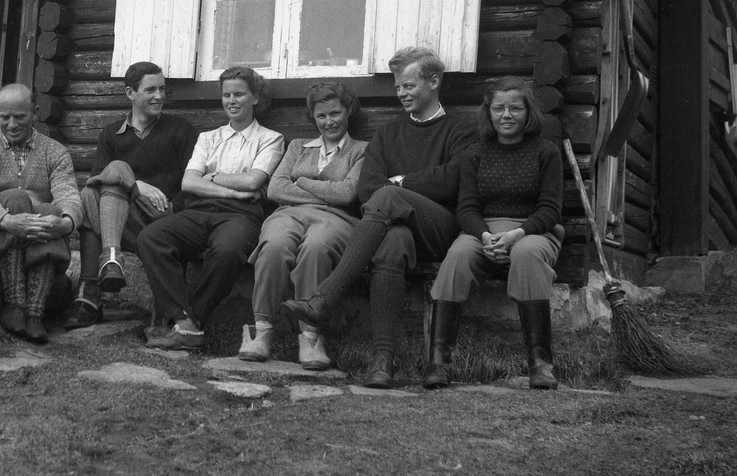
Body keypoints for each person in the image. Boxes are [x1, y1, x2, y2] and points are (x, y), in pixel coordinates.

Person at [282, 47, 477, 387]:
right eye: (398, 87)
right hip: (395, 228)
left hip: (439, 228)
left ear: (434, 82)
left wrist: (401, 183)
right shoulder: (389, 133)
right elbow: (367, 188)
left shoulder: (460, 131)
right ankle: (381, 362)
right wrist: (399, 188)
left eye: (409, 85)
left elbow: (452, 181)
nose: (402, 93)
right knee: (392, 242)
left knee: (388, 195)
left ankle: (325, 296)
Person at [425, 77, 563, 390]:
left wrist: (517, 234)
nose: (507, 115)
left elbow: (550, 209)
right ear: (489, 113)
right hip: (483, 231)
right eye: (499, 108)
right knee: (458, 257)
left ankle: (541, 365)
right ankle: (438, 364)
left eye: (515, 107)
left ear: (528, 113)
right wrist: (486, 237)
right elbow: (467, 209)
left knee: (527, 256)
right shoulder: (475, 154)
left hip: (533, 231)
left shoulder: (546, 152)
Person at [137, 66, 285, 350]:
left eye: (239, 94)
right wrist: (236, 191)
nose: (232, 101)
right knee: (152, 237)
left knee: (228, 252)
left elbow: (254, 179)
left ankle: (190, 322)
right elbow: (189, 182)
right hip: (198, 210)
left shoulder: (270, 139)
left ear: (254, 98)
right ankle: (184, 321)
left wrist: (213, 176)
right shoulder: (209, 138)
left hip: (241, 216)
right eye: (226, 95)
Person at [241, 83, 368, 370]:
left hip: (338, 218)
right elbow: (275, 189)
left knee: (317, 246)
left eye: (335, 113)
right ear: (313, 118)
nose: (329, 122)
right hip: (288, 213)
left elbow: (348, 194)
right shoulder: (298, 146)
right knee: (274, 245)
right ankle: (261, 332)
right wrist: (327, 189)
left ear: (348, 112)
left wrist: (304, 182)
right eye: (321, 116)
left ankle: (311, 337)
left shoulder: (362, 151)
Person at [65, 61, 199, 329]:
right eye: (150, 90)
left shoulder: (180, 130)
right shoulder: (112, 134)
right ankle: (110, 261)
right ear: (130, 93)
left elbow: (191, 186)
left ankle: (90, 294)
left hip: (163, 220)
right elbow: (96, 182)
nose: (159, 96)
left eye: (162, 89)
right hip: (123, 219)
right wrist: (136, 185)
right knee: (94, 192)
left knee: (112, 173)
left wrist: (156, 200)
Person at [0, 83, 83, 343]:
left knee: (52, 210)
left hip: (39, 239)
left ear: (35, 112)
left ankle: (34, 313)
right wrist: (5, 219)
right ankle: (15, 305)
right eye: (5, 117)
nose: (12, 124)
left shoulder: (55, 152)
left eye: (20, 117)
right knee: (15, 198)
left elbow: (68, 193)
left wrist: (66, 222)